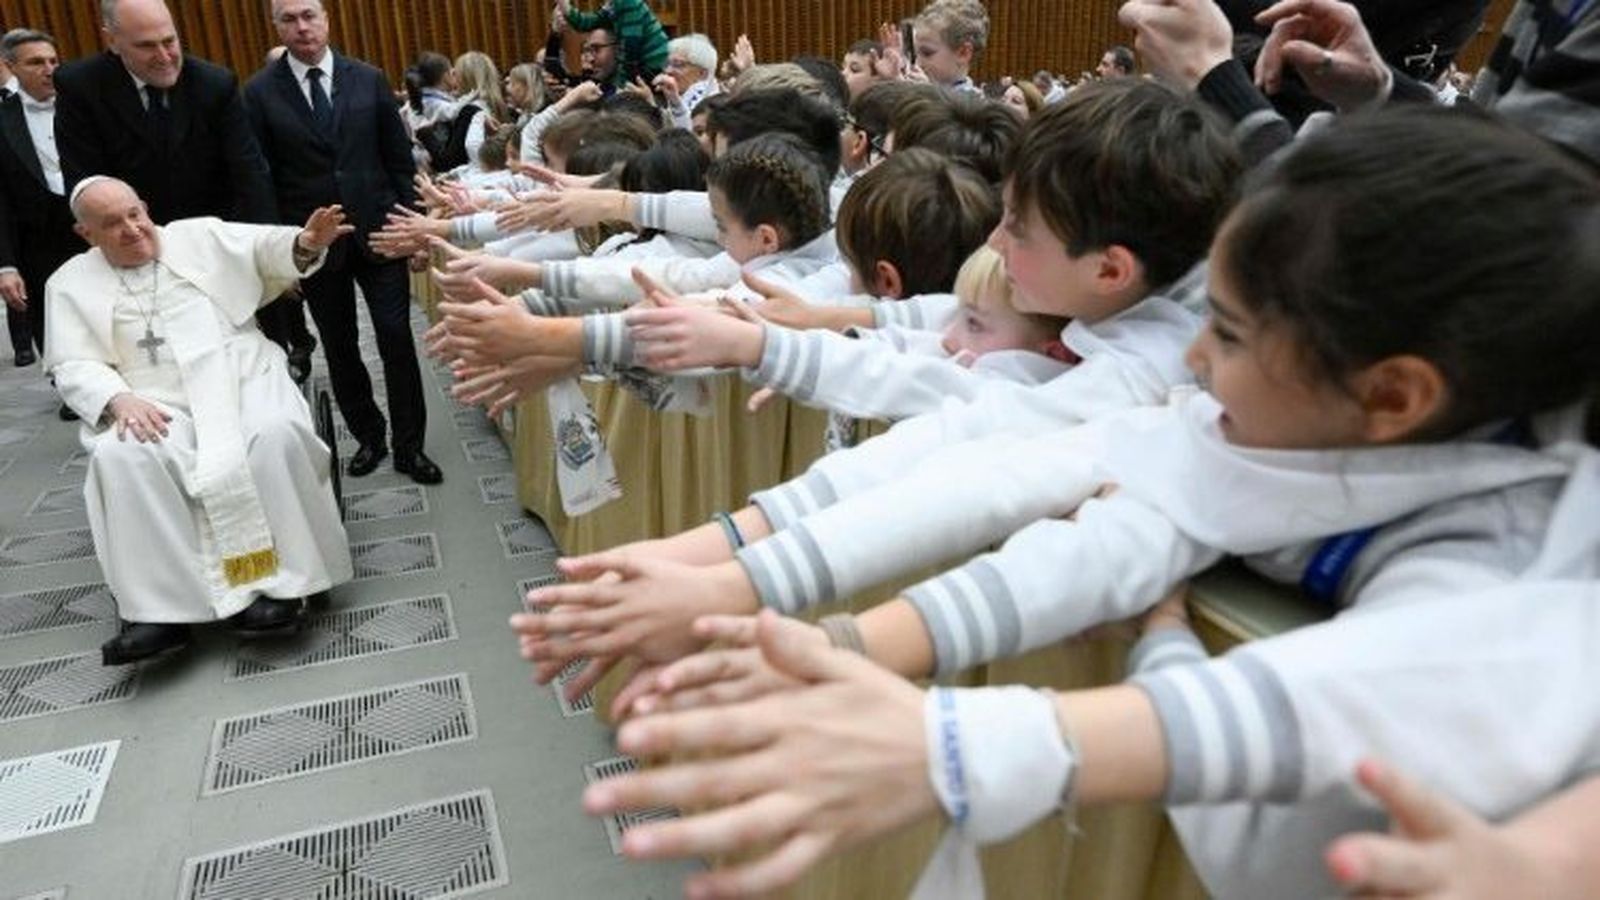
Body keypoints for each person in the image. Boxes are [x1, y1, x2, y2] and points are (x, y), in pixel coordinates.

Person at [567, 108, 1600, 899]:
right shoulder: (1279, 412)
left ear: (1392, 396)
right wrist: (801, 614)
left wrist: (971, 747)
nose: (1193, 361)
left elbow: (1363, 701)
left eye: (1228, 336)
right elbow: (1014, 466)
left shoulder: (1512, 548)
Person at [45, 176, 355, 666]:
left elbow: (263, 250)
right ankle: (158, 611)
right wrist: (116, 398)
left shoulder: (198, 236)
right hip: (149, 398)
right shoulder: (67, 283)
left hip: (239, 376)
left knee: (274, 435)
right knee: (121, 454)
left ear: (145, 206)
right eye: (112, 224)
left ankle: (281, 585)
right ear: (86, 234)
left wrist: (304, 243)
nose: (131, 229)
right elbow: (71, 364)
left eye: (135, 214)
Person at [243, 0, 441, 485]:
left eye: (309, 15)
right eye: (288, 19)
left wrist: (415, 230)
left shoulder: (368, 78)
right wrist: (280, 259)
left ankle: (410, 446)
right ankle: (368, 436)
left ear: (326, 19)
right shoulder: (259, 93)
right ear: (276, 26)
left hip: (381, 233)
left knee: (396, 338)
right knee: (340, 345)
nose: (301, 26)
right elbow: (261, 182)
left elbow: (398, 162)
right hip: (315, 245)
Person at [53, 0, 275, 228]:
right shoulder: (80, 87)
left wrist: (260, 245)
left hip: (211, 235)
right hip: (129, 236)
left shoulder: (215, 85)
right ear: (112, 41)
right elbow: (85, 182)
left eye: (169, 41)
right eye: (146, 46)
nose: (164, 57)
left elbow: (250, 177)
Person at [0, 28, 83, 380]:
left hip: (89, 226)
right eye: (36, 62)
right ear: (10, 67)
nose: (49, 69)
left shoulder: (82, 103)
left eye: (53, 60)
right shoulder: (3, 118)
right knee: (50, 316)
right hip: (36, 238)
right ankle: (70, 383)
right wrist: (5, 265)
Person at [558, 0, 669, 87]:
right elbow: (587, 23)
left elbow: (630, 47)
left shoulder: (627, 2)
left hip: (654, 66)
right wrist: (566, 8)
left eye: (597, 49)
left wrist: (619, 86)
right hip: (639, 67)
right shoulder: (613, 4)